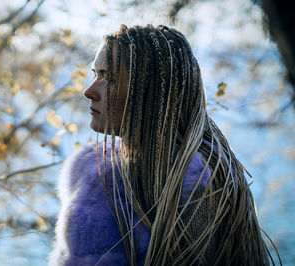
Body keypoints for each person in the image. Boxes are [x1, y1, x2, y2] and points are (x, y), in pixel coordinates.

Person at [49, 24, 273, 266]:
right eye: (95, 74)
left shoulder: (193, 189)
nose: (89, 91)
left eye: (108, 78)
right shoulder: (103, 173)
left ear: (148, 91)